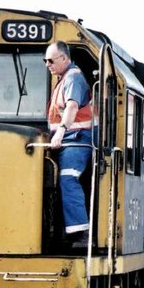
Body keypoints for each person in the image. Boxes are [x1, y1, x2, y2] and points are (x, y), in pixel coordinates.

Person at [44, 41, 93, 244]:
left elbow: (72, 106)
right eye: (45, 61)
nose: (48, 65)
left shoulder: (73, 78)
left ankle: (81, 233)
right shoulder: (63, 78)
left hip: (77, 139)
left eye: (51, 60)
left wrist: (61, 132)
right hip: (67, 140)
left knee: (68, 178)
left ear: (64, 58)